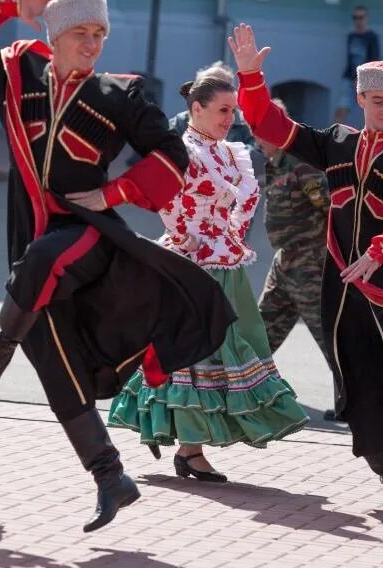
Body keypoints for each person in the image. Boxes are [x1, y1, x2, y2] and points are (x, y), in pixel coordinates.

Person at [0, 0, 235, 531]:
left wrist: (114, 194)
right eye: (81, 32)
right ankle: (110, 476)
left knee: (44, 261)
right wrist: (9, 5)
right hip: (29, 239)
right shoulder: (16, 75)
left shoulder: (119, 93)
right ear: (54, 35)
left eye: (100, 33)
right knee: (56, 364)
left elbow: (171, 156)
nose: (93, 43)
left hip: (88, 234)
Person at [229, 23, 383, 513]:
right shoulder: (335, 143)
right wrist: (250, 76)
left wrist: (382, 248)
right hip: (344, 284)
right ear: (360, 98)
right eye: (378, 101)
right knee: (362, 387)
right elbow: (272, 127)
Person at [108, 76, 309, 482]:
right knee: (198, 352)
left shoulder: (229, 153)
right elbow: (166, 199)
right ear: (197, 108)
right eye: (222, 109)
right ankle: (188, 447)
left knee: (221, 350)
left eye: (233, 110)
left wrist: (229, 234)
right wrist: (189, 239)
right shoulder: (182, 151)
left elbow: (246, 200)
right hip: (192, 264)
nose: (230, 117)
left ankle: (185, 443)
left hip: (224, 262)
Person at [254, 98, 339, 420]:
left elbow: (330, 207)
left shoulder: (300, 163)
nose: (255, 141)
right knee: (262, 331)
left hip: (310, 266)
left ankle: (354, 403)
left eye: (259, 133)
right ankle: (244, 392)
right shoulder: (276, 162)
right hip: (285, 264)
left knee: (328, 336)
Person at [168, 61, 265, 176]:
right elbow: (166, 152)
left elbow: (257, 158)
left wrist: (222, 154)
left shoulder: (243, 123)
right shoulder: (181, 121)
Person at [333, 6, 380, 125]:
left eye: (361, 17)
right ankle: (335, 138)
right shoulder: (351, 36)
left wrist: (362, 78)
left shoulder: (371, 37)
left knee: (370, 111)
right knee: (340, 111)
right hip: (349, 78)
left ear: (366, 18)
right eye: (355, 17)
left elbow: (374, 60)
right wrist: (351, 76)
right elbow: (350, 59)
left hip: (366, 80)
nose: (358, 21)